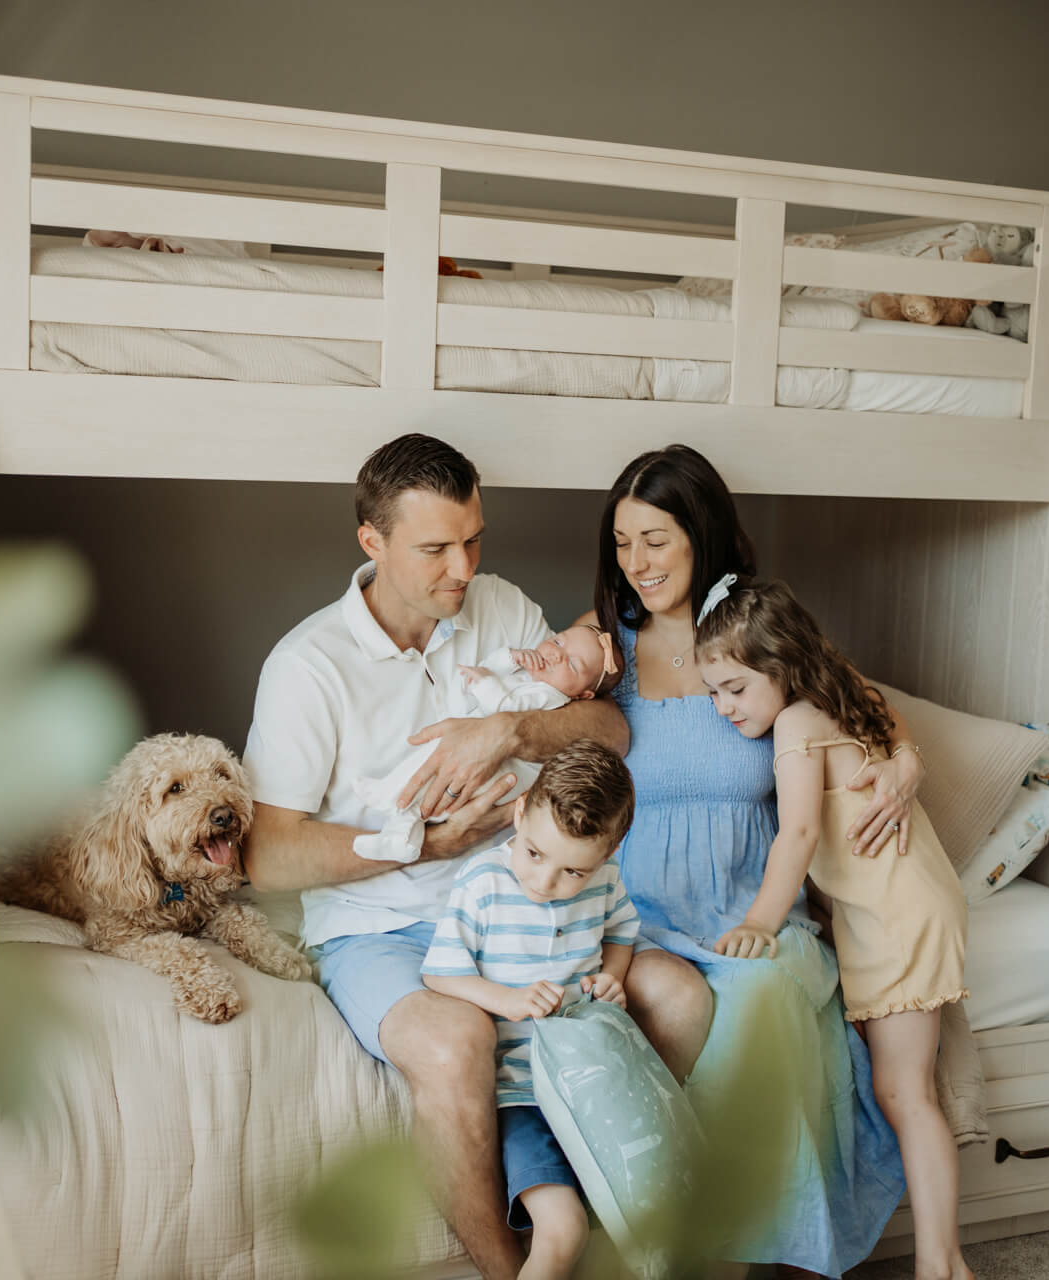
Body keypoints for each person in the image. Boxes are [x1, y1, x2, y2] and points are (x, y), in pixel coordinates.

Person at [241, 434, 712, 1280]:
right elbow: (267, 856)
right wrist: (424, 846)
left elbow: (610, 729)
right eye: (435, 549)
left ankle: (599, 1225)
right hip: (383, 927)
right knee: (460, 1042)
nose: (463, 567)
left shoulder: (497, 606)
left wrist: (510, 731)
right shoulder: (308, 667)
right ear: (372, 542)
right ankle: (512, 1270)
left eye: (474, 539)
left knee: (676, 996)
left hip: (525, 893)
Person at [582, 444, 920, 1278]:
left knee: (766, 993)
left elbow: (866, 704)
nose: (637, 564)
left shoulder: (751, 632)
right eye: (623, 543)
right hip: (643, 912)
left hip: (749, 908)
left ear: (701, 531)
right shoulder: (608, 647)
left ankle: (741, 1244)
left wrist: (906, 765)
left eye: (655, 539)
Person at [695, 577, 975, 1280]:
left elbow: (796, 832)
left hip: (899, 914)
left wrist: (760, 919)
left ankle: (944, 1265)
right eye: (713, 693)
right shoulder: (836, 694)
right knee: (900, 1089)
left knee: (907, 1093)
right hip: (901, 905)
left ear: (780, 668)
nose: (723, 707)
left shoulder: (795, 724)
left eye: (733, 688)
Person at [421, 740, 639, 1280]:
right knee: (562, 1230)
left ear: (606, 858)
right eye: (535, 854)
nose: (543, 883)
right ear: (520, 814)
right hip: (523, 1090)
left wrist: (611, 977)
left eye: (573, 872)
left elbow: (622, 933)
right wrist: (509, 1001)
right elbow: (439, 972)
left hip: (593, 1084)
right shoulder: (484, 882)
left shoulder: (606, 882)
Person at [352, 625, 623, 863]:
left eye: (573, 665)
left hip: (504, 772)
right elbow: (488, 670)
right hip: (489, 758)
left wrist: (483, 681)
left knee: (436, 773)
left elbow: (505, 707)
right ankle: (400, 834)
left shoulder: (550, 697)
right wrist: (510, 658)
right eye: (558, 642)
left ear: (583, 695)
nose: (556, 655)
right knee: (432, 767)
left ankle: (390, 798)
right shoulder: (529, 676)